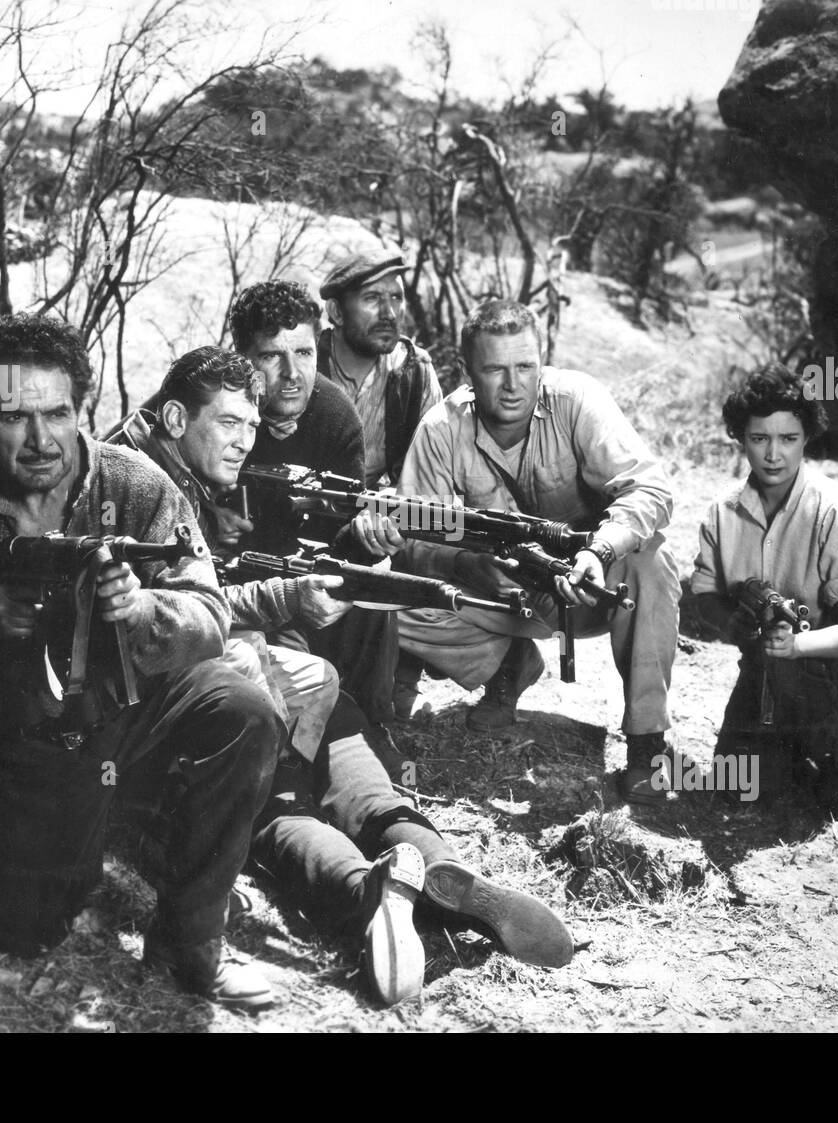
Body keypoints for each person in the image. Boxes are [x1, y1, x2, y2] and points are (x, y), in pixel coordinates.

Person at [111, 345, 575, 1004]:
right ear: (178, 416)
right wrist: (277, 618)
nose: (243, 442)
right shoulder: (140, 480)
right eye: (229, 425)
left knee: (317, 728)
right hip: (166, 714)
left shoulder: (182, 466)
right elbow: (164, 621)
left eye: (250, 425)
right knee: (280, 778)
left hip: (214, 682)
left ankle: (381, 889)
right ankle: (419, 860)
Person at [0, 314, 283, 1008]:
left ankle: (191, 940)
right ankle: (0, 812)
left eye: (59, 412)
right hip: (36, 728)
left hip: (140, 706)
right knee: (21, 929)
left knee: (246, 710)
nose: (41, 439)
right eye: (16, 417)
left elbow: (209, 612)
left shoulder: (138, 483)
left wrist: (142, 612)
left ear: (82, 409)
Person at [395, 300, 682, 804]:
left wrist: (600, 548)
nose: (513, 384)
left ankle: (646, 742)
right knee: (398, 608)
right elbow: (416, 536)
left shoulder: (578, 399)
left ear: (542, 361)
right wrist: (470, 564)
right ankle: (509, 668)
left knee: (651, 562)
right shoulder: (440, 430)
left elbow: (652, 491)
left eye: (525, 366)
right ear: (466, 373)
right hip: (500, 594)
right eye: (494, 369)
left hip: (589, 584)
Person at [691, 364, 838, 842]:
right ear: (739, 438)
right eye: (759, 438)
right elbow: (703, 597)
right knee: (740, 786)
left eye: (788, 437)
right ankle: (794, 747)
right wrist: (738, 627)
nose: (773, 453)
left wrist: (798, 647)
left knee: (793, 666)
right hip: (766, 665)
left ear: (808, 438)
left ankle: (837, 765)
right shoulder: (723, 513)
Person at [228, 280, 403, 724]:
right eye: (271, 356)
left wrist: (367, 540)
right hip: (228, 585)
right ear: (241, 358)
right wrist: (202, 510)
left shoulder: (335, 414)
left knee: (373, 593)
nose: (292, 373)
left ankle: (370, 724)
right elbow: (134, 450)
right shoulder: (211, 398)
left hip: (299, 572)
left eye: (304, 353)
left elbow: (339, 527)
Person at [316, 250, 443, 488]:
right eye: (372, 298)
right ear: (336, 312)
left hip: (375, 512)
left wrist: (391, 505)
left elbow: (433, 477)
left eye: (396, 297)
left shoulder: (414, 371)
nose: (390, 314)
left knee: (445, 522)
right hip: (298, 509)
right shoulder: (302, 363)